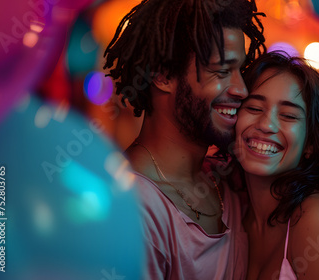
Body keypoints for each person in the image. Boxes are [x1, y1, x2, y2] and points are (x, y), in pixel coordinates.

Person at [103, 0, 265, 279]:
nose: (241, 89)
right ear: (163, 75)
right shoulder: (132, 209)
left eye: (241, 70)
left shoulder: (229, 178)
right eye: (222, 71)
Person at [232, 52, 319, 280]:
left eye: (289, 116)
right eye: (253, 108)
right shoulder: (233, 212)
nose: (266, 125)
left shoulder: (318, 222)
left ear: (310, 143)